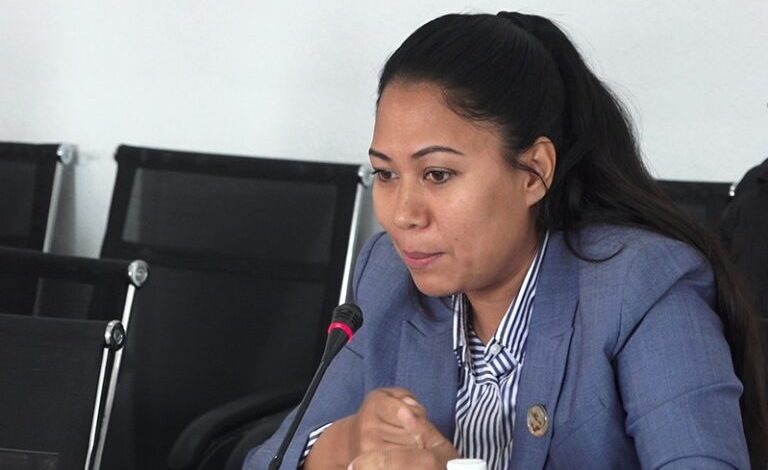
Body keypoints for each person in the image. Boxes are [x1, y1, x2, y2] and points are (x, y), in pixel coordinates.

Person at [245, 11, 767, 469]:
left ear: (534, 172)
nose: (403, 215)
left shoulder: (641, 288)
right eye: (386, 174)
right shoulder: (387, 274)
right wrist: (346, 440)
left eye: (438, 174)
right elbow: (266, 459)